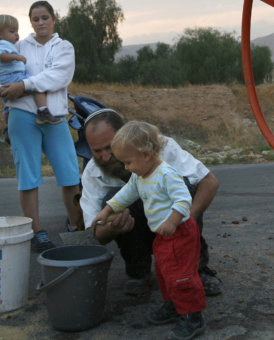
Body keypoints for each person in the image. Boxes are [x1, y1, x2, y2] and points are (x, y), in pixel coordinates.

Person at [79, 109, 222, 299]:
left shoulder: (161, 147)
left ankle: (196, 268)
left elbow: (209, 182)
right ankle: (138, 272)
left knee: (184, 186)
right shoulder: (91, 173)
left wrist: (185, 222)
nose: (105, 157)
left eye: (109, 148)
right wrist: (112, 226)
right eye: (97, 151)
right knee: (114, 198)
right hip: (138, 228)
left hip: (175, 224)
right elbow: (93, 232)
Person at [93, 121, 206, 340]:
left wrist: (173, 222)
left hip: (179, 233)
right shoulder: (140, 175)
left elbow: (183, 201)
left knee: (181, 276)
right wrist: (107, 210)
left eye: (128, 162)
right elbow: (127, 194)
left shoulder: (166, 174)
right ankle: (174, 306)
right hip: (163, 236)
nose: (126, 168)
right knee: (165, 273)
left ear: (146, 155)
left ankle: (193, 318)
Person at [0, 1, 81, 253]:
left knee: (70, 175)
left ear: (53, 18)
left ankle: (76, 225)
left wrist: (24, 85)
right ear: (30, 22)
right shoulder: (18, 45)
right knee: (28, 177)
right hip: (22, 116)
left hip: (55, 117)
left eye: (45, 17)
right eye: (36, 19)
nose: (41, 23)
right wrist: (3, 90)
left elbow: (59, 77)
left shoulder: (64, 47)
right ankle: (37, 231)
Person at [0, 14, 62, 135]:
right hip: (13, 76)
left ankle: (7, 127)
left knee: (7, 106)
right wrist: (16, 57)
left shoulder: (9, 45)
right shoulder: (2, 45)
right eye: (12, 31)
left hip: (8, 78)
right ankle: (43, 112)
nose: (16, 34)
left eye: (17, 31)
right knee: (37, 87)